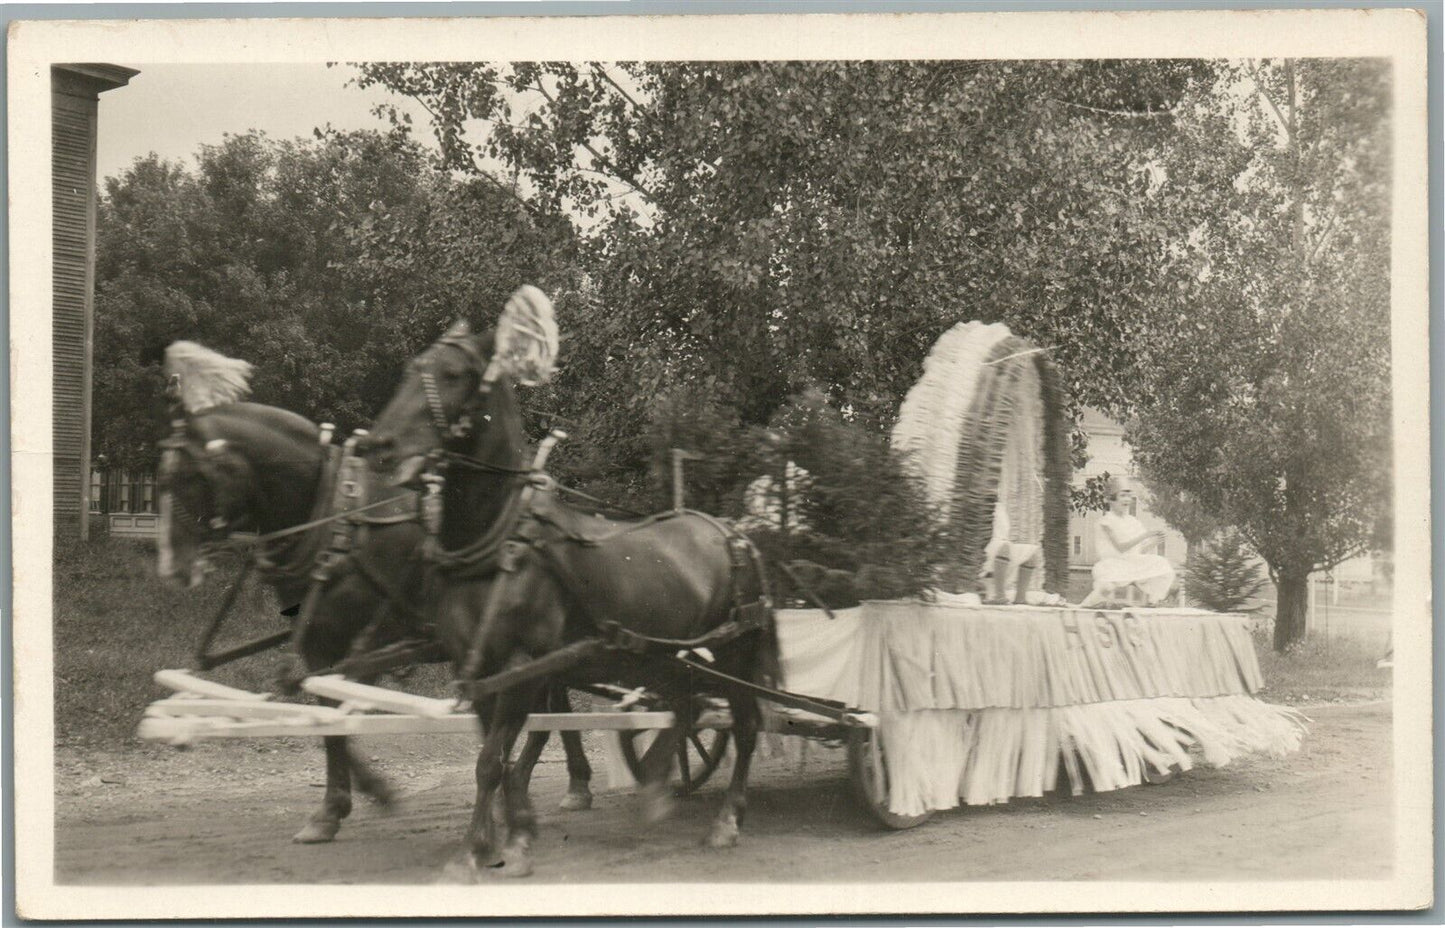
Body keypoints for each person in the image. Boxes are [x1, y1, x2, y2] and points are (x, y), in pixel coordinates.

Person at [1079, 482, 1176, 608]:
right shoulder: (1105, 522)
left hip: (1131, 563)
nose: (1126, 499)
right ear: (1112, 500)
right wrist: (1146, 535)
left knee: (1162, 565)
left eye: (1129, 496)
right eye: (1122, 495)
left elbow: (1138, 551)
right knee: (1105, 588)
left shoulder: (1133, 521)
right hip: (1112, 564)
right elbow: (1121, 548)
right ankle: (1084, 607)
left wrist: (1154, 543)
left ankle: (1153, 602)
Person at [981, 499, 1041, 605]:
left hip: (999, 543)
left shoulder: (998, 506)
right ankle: (999, 596)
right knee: (1004, 547)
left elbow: (1002, 531)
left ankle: (1020, 598)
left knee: (1032, 553)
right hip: (983, 549)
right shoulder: (978, 502)